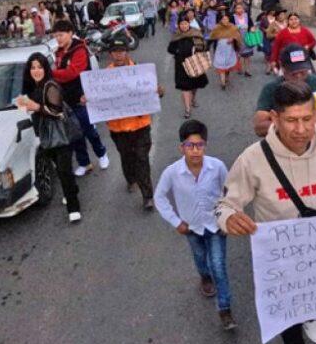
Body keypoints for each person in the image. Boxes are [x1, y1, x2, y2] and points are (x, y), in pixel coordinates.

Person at [217, 80, 316, 344]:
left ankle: (311, 317)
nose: (301, 129)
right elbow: (225, 205)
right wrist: (229, 219)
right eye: (291, 120)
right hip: (280, 259)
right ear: (274, 119)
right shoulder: (253, 159)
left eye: (308, 119)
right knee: (288, 315)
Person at [153, 120, 235, 330]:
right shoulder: (172, 172)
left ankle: (225, 309)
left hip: (216, 226)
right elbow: (160, 198)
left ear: (205, 146)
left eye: (200, 145)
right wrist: (176, 221)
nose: (195, 151)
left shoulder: (216, 167)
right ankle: (204, 277)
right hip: (191, 228)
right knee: (200, 258)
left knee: (218, 265)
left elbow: (230, 193)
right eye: (190, 146)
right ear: (182, 147)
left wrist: (227, 218)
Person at [16, 52, 81, 223]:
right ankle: (72, 190)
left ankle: (73, 208)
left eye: (39, 67)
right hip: (44, 135)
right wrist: (25, 106)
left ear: (45, 68)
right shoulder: (31, 88)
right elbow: (31, 110)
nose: (36, 71)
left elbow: (56, 111)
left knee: (64, 170)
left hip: (61, 134)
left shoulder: (51, 85)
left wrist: (36, 107)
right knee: (59, 168)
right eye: (33, 67)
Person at [104, 38, 164, 210]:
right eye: (115, 51)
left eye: (122, 50)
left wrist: (159, 92)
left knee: (142, 159)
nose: (119, 54)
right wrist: (88, 100)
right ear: (110, 54)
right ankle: (130, 179)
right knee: (126, 157)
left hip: (140, 125)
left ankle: (147, 197)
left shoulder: (140, 72)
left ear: (127, 52)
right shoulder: (103, 77)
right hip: (118, 128)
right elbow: (98, 99)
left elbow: (153, 93)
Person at [50, 19, 110, 177]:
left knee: (90, 131)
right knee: (75, 135)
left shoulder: (79, 50)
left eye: (61, 35)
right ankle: (84, 163)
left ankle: (102, 154)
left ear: (70, 33)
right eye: (56, 36)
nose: (59, 39)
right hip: (66, 102)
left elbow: (73, 73)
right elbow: (60, 76)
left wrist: (52, 74)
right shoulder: (58, 52)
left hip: (82, 99)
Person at [253, 44, 316, 137]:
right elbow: (259, 128)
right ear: (282, 65)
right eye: (293, 72)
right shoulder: (271, 89)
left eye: (302, 71)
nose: (298, 76)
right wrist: (289, 123)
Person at [169, 14, 209, 118]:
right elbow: (170, 49)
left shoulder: (195, 33)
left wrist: (199, 48)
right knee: (185, 87)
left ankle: (193, 98)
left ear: (189, 24)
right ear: (178, 25)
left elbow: (204, 45)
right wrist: (177, 50)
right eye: (181, 24)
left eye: (185, 23)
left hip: (195, 62)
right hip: (181, 64)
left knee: (194, 85)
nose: (183, 26)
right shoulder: (176, 35)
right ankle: (187, 109)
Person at [209, 11, 242, 90]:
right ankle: (223, 83)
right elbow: (212, 36)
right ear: (220, 20)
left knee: (228, 64)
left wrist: (233, 39)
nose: (225, 21)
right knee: (221, 64)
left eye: (226, 19)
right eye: (223, 19)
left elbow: (238, 36)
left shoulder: (233, 27)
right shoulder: (217, 27)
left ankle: (227, 77)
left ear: (229, 19)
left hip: (230, 50)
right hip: (220, 49)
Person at [232, 0, 255, 78]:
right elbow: (230, 28)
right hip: (238, 38)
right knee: (239, 55)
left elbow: (252, 25)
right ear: (235, 9)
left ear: (243, 9)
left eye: (240, 8)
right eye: (237, 8)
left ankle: (247, 70)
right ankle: (239, 68)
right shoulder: (233, 17)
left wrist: (252, 29)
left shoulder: (247, 16)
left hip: (247, 38)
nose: (239, 10)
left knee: (247, 55)